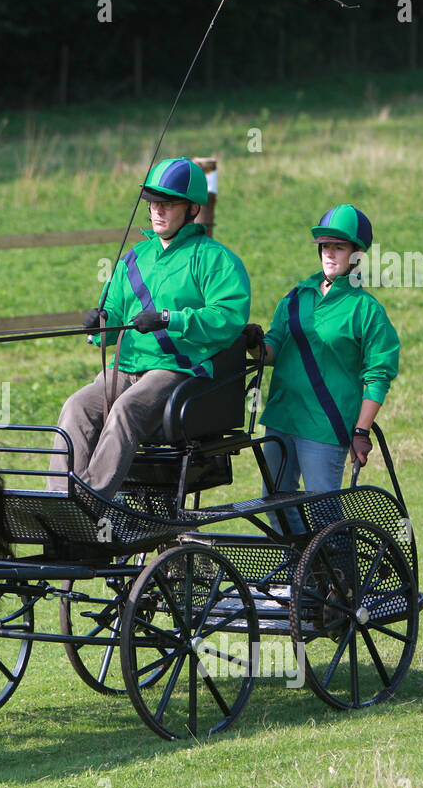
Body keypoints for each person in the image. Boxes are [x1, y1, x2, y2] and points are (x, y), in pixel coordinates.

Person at [49, 157, 251, 499]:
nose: (157, 210)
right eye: (153, 203)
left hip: (176, 371)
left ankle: (91, 501)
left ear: (192, 209)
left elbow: (228, 318)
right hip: (123, 368)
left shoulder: (216, 259)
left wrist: (170, 319)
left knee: (127, 410)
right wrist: (100, 324)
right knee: (77, 406)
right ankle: (61, 501)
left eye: (168, 203)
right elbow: (112, 315)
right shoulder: (134, 257)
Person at [243, 204, 400, 532]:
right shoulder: (296, 298)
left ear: (356, 254)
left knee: (324, 515)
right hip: (282, 418)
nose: (329, 253)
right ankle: (305, 579)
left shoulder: (366, 309)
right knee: (276, 507)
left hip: (324, 427)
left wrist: (361, 431)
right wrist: (254, 343)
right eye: (325, 246)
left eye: (338, 247)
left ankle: (339, 581)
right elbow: (272, 351)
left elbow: (379, 375)